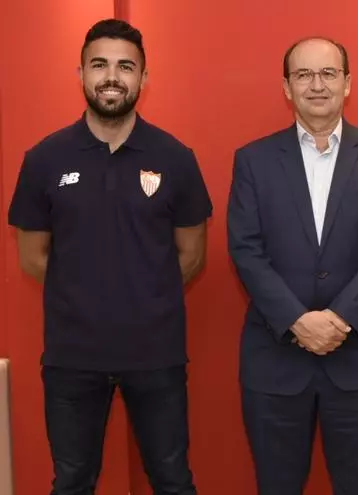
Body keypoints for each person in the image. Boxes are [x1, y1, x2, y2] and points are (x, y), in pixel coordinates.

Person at [7, 19, 212, 495]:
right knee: (72, 482)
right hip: (72, 357)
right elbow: (33, 258)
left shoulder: (175, 158)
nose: (112, 76)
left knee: (172, 480)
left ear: (144, 78)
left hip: (156, 355)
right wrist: (88, 302)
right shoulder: (44, 159)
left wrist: (142, 301)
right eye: (99, 65)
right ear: (80, 74)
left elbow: (191, 256)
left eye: (126, 66)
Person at [227, 37, 358, 495]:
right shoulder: (253, 160)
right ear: (286, 87)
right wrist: (296, 320)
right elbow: (245, 249)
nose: (317, 85)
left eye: (328, 74)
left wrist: (340, 318)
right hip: (275, 362)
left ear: (347, 84)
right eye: (303, 75)